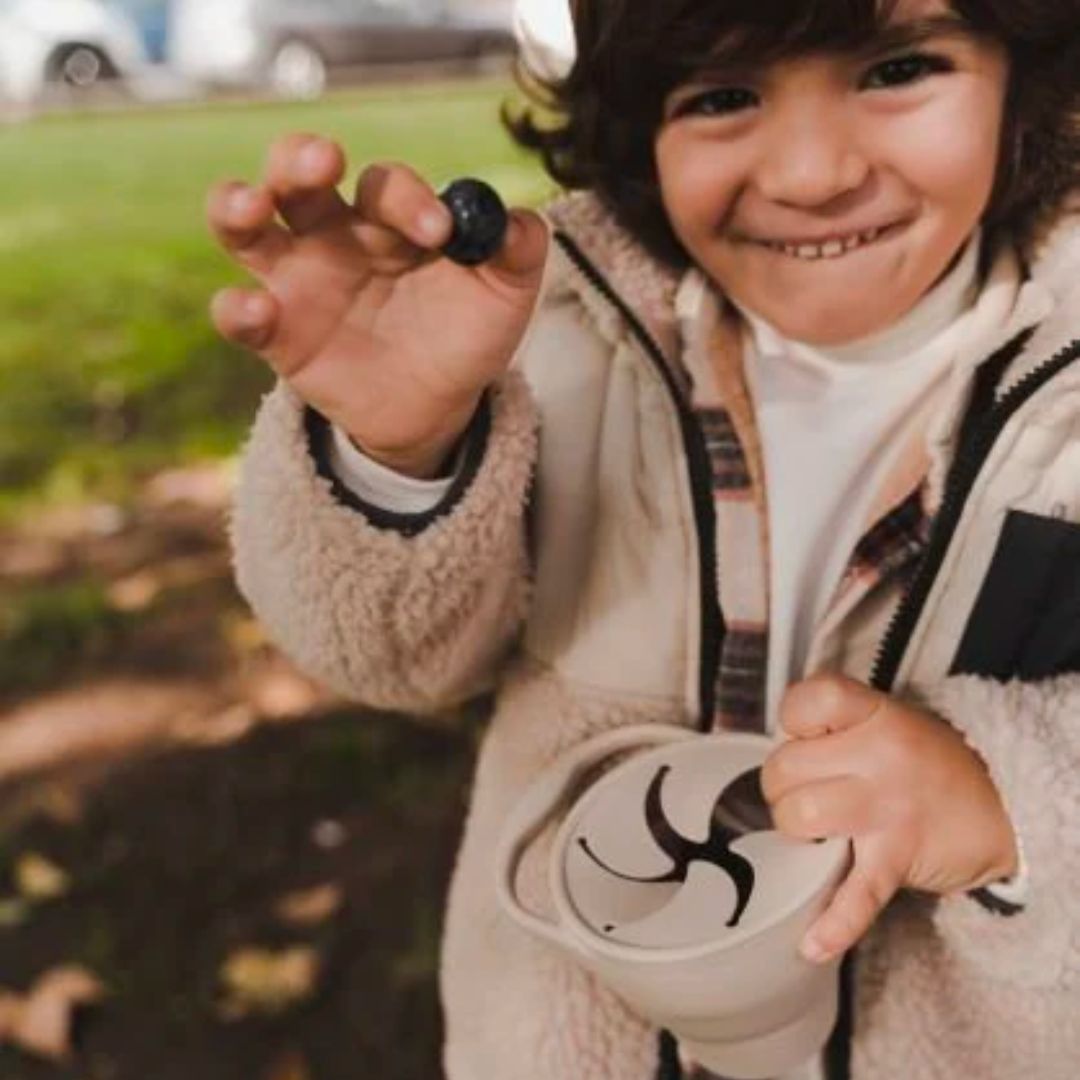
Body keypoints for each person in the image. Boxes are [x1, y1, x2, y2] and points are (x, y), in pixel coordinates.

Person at [206, 0, 1080, 1076]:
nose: (810, 172)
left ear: (1023, 71)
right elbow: (389, 659)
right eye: (720, 96)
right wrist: (398, 453)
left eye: (898, 68)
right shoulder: (551, 329)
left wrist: (1008, 805)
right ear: (636, 123)